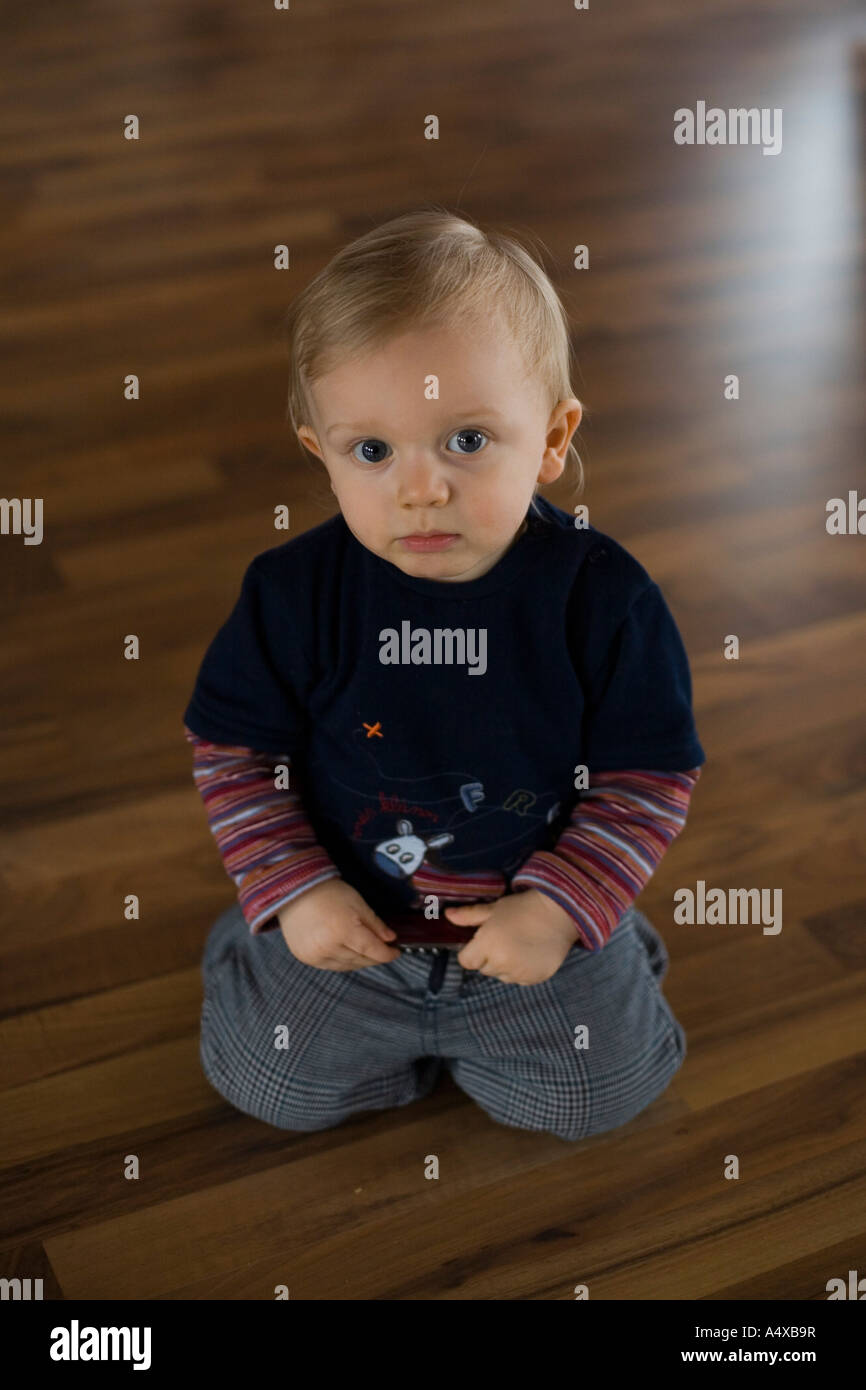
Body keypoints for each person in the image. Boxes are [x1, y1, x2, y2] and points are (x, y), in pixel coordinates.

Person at [182, 208, 704, 1142]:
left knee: (595, 1099)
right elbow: (236, 753)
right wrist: (296, 891)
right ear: (323, 455)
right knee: (270, 1086)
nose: (419, 488)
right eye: (371, 451)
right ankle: (255, 934)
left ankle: (609, 933)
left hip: (537, 916)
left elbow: (646, 776)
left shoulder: (604, 600)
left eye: (467, 440)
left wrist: (557, 907)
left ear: (552, 437)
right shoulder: (293, 596)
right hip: (353, 924)